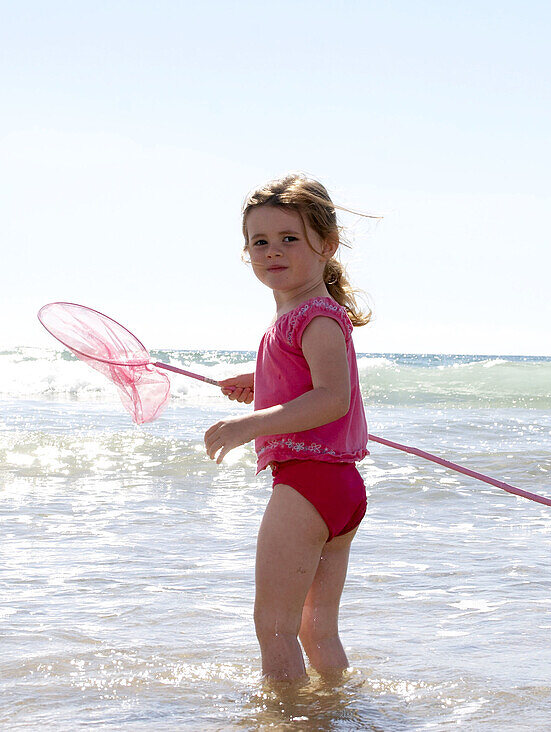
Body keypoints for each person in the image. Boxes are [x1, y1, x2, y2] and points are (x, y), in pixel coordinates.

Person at [204, 173, 372, 683]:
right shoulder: (306, 314)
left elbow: (331, 398)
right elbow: (308, 381)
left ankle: (286, 720)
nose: (272, 251)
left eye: (289, 238)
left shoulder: (316, 316)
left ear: (327, 243)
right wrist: (261, 382)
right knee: (314, 630)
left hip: (307, 481)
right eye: (260, 241)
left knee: (273, 627)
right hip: (338, 489)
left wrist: (247, 425)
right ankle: (337, 709)